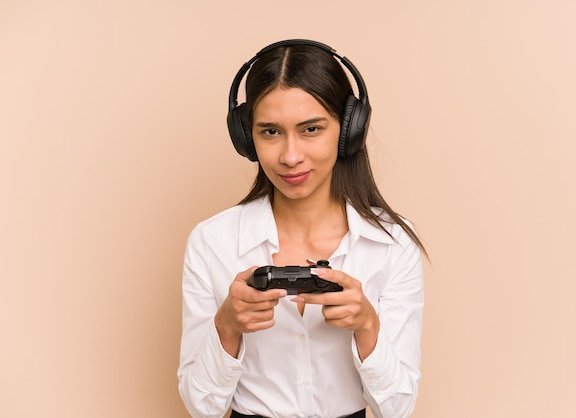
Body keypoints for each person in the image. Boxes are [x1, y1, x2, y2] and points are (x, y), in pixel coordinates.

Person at [177, 39, 426, 418]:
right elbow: (202, 408)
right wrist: (226, 327)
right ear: (247, 138)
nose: (290, 156)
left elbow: (397, 409)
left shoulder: (392, 243)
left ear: (348, 130)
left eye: (311, 129)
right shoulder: (212, 242)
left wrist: (367, 327)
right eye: (270, 132)